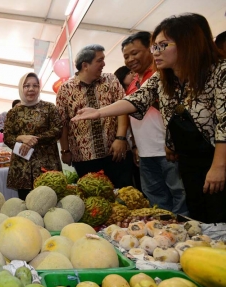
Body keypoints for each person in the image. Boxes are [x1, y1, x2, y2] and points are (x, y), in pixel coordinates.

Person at [73, 14, 226, 223]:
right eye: (155, 46)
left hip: (217, 158)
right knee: (197, 216)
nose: (156, 52)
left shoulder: (220, 72)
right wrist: (99, 112)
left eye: (162, 45)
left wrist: (219, 167)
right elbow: (137, 99)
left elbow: (224, 126)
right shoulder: (163, 77)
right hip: (188, 162)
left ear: (187, 43)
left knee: (219, 214)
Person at [121, 31, 188, 214]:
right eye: (126, 56)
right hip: (145, 152)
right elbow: (132, 115)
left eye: (135, 53)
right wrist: (135, 145)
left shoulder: (163, 76)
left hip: (167, 150)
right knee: (156, 199)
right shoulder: (134, 81)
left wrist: (171, 142)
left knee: (180, 195)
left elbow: (175, 112)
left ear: (151, 50)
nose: (130, 59)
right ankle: (165, 233)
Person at [56, 44, 133, 189]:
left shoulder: (111, 80)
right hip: (85, 158)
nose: (104, 64)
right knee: (94, 199)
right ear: (85, 65)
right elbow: (63, 123)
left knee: (124, 194)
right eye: (100, 60)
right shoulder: (65, 89)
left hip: (115, 152)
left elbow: (123, 108)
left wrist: (121, 138)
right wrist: (65, 151)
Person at [4, 72, 63, 200]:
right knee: (25, 205)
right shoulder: (13, 113)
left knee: (49, 202)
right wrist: (21, 138)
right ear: (21, 88)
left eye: (35, 86)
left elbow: (58, 130)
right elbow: (7, 137)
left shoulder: (49, 108)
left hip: (46, 164)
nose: (31, 89)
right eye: (26, 86)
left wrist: (33, 140)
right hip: (22, 167)